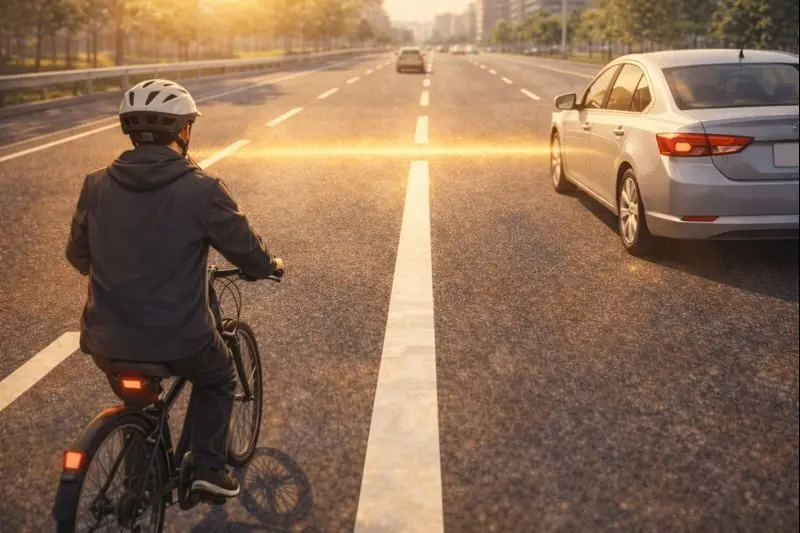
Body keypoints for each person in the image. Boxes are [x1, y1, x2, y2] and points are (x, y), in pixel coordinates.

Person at [65, 79, 283, 498]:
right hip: (179, 338)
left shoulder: (96, 184)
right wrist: (269, 265)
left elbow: (78, 256)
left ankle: (140, 490)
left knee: (141, 402)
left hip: (107, 339)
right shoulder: (203, 189)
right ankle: (207, 467)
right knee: (218, 377)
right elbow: (248, 252)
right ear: (184, 130)